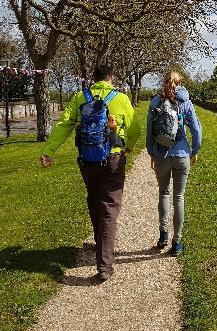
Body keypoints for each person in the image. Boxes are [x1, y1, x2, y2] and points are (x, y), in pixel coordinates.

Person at [40, 65, 140, 282]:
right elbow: (135, 129)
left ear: (93, 80)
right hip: (113, 158)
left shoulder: (80, 97)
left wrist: (49, 150)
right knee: (110, 208)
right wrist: (129, 146)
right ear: (110, 78)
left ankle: (101, 244)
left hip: (87, 159)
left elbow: (64, 125)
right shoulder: (121, 98)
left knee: (95, 201)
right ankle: (104, 265)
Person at [146, 71, 202, 256]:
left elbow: (149, 131)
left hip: (161, 155)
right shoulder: (186, 102)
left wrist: (152, 153)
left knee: (163, 193)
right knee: (179, 197)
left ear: (164, 82)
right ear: (180, 83)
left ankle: (163, 235)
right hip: (181, 155)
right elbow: (196, 130)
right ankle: (177, 243)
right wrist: (194, 151)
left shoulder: (155, 101)